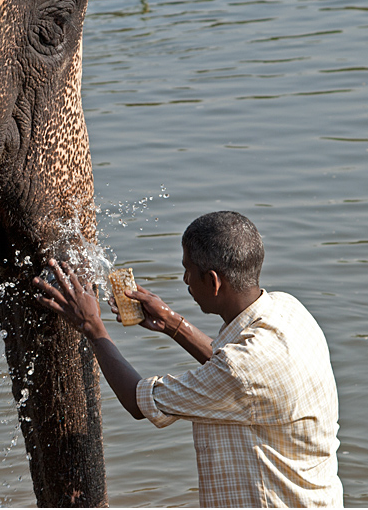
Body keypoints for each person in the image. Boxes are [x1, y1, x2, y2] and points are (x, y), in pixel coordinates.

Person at [33, 211, 343, 508]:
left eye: (187, 270)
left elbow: (137, 401)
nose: (184, 280)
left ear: (213, 281)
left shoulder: (240, 372)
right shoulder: (287, 310)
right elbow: (238, 372)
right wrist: (172, 324)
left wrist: (92, 326)